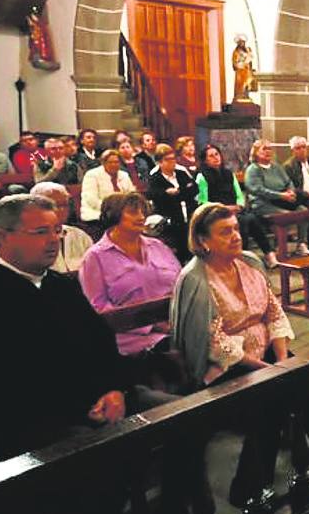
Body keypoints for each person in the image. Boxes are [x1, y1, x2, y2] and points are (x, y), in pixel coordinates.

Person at [0, 194, 130, 514]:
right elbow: (6, 380)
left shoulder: (62, 285)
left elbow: (102, 344)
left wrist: (114, 389)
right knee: (95, 467)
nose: (53, 241)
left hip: (91, 406)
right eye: (40, 232)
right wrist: (81, 406)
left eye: (57, 231)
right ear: (3, 236)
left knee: (168, 419)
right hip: (24, 424)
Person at [170, 204, 309, 507]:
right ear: (203, 240)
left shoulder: (249, 263)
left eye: (235, 229)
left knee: (303, 374)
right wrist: (266, 368)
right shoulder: (195, 278)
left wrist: (282, 360)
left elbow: (273, 312)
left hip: (265, 352)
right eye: (225, 232)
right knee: (270, 396)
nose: (235, 236)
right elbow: (213, 343)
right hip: (222, 366)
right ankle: (249, 486)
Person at [79, 191, 181, 357]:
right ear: (113, 216)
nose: (141, 217)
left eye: (143, 212)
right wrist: (152, 326)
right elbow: (99, 307)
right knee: (180, 352)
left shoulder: (158, 246)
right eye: (133, 212)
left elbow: (182, 284)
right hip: (131, 337)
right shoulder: (95, 257)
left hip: (175, 325)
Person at [197, 143, 278, 268]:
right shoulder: (202, 176)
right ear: (205, 160)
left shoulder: (228, 174)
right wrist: (223, 208)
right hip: (215, 213)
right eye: (211, 156)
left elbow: (239, 194)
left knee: (252, 219)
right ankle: (239, 257)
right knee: (242, 222)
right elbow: (203, 201)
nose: (216, 158)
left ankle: (269, 255)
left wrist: (239, 206)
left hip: (235, 210)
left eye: (217, 154)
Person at [244, 139, 308, 255]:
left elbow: (288, 181)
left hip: (282, 201)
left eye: (270, 149)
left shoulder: (276, 167)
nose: (268, 151)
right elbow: (258, 190)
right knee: (285, 216)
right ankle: (280, 249)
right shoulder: (253, 169)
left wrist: (291, 191)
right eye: (264, 149)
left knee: (302, 210)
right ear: (256, 152)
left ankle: (301, 244)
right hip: (262, 204)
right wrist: (281, 195)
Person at [147, 143, 199, 261]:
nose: (172, 162)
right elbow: (154, 195)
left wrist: (178, 193)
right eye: (168, 160)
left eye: (173, 158)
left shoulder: (181, 173)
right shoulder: (155, 178)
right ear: (159, 162)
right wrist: (169, 194)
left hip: (189, 214)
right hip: (171, 218)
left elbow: (194, 189)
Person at [31, 181, 92, 272]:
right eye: (56, 206)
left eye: (65, 205)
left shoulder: (80, 236)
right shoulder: (31, 239)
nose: (62, 210)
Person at [80, 148, 136, 235]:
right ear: (103, 163)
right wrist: (111, 211)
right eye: (110, 162)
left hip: (121, 214)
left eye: (116, 162)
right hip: (96, 214)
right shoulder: (92, 175)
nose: (114, 165)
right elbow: (91, 200)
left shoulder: (124, 175)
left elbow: (132, 195)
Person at [232, 35, 255, 101]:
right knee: (240, 85)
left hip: (247, 71)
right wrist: (241, 64)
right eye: (240, 42)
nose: (242, 43)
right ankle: (239, 97)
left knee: (247, 84)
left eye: (243, 42)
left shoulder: (247, 50)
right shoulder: (236, 52)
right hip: (240, 72)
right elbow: (235, 63)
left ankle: (246, 96)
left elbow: (250, 61)